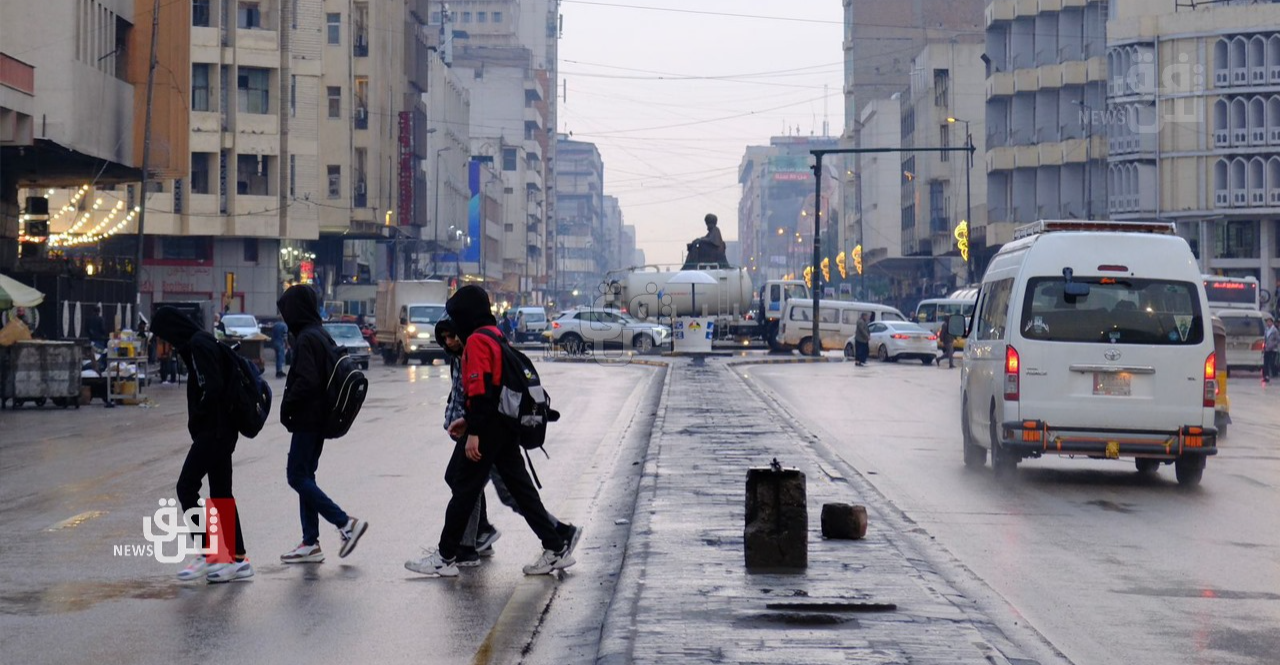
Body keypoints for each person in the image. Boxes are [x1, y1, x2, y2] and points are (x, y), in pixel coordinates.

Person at [406, 285, 580, 577]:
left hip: (489, 429)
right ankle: (556, 546)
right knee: (521, 491)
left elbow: (481, 389)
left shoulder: (475, 341)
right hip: (505, 424)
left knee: (463, 488)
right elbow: (494, 387)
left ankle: (446, 555)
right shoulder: (495, 335)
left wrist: (474, 430)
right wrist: (469, 422)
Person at [151, 307, 254, 583]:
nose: (167, 343)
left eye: (165, 336)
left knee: (186, 487)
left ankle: (211, 553)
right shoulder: (202, 341)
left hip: (214, 430)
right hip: (222, 430)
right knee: (221, 493)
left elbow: (213, 387)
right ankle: (238, 558)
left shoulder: (198, 345)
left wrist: (198, 413)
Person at [277, 284, 369, 564]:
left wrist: (287, 405)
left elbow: (307, 381)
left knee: (296, 476)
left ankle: (345, 523)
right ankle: (310, 542)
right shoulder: (320, 333)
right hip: (318, 419)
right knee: (306, 477)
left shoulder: (306, 338)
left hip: (307, 418)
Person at [1263, 316, 1278, 385]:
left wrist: (1272, 345)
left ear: (1272, 322)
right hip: (1266, 349)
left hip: (1272, 349)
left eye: (1269, 321)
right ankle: (1266, 376)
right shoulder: (1266, 330)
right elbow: (1265, 339)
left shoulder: (1275, 330)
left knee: (1271, 363)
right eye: (1267, 322)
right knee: (1265, 363)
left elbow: (1278, 340)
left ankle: (1272, 374)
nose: (1268, 323)